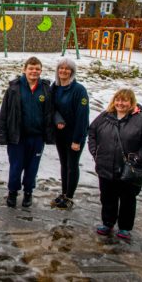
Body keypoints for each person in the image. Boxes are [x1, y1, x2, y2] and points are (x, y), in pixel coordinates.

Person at [88, 89, 142, 240]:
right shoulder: (105, 117)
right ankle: (108, 223)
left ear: (131, 102)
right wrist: (95, 152)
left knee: (128, 199)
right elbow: (92, 132)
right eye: (118, 100)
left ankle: (125, 227)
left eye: (124, 100)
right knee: (107, 197)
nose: (120, 103)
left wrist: (137, 159)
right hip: (106, 166)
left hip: (129, 169)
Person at [0, 56, 54, 208]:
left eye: (37, 69)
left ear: (41, 71)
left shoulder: (46, 89)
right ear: (24, 70)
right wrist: (2, 135)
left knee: (32, 167)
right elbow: (4, 113)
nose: (34, 72)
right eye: (31, 68)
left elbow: (50, 112)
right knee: (16, 166)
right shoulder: (14, 88)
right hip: (17, 137)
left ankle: (28, 192)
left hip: (37, 138)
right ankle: (13, 192)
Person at [50, 58, 90, 209]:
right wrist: (57, 119)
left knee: (72, 165)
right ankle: (64, 192)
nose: (64, 71)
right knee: (63, 164)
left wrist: (77, 140)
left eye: (67, 69)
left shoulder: (79, 90)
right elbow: (51, 108)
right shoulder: (55, 88)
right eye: (61, 68)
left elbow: (82, 116)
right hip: (60, 134)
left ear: (72, 72)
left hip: (74, 135)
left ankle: (69, 197)